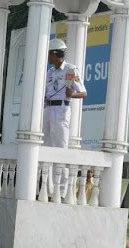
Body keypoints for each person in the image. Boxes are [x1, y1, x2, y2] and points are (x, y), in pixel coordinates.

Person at [43, 38, 87, 197]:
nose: (47, 57)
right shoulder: (49, 71)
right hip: (48, 108)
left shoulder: (70, 70)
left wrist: (72, 94)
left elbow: (83, 92)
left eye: (49, 54)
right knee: (46, 146)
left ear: (55, 54)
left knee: (61, 148)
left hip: (61, 109)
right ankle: (47, 188)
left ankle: (61, 191)